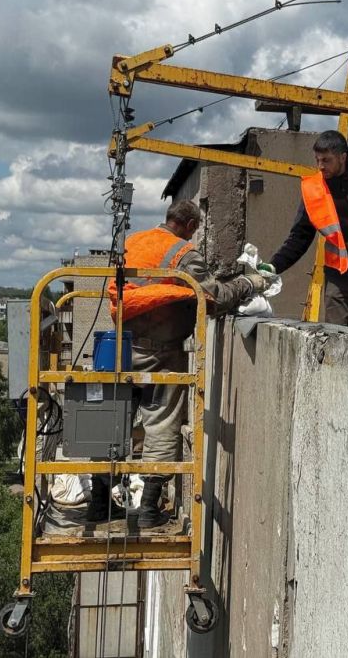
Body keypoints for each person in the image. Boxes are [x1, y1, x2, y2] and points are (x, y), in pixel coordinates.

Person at [90, 199, 268, 526]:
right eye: (195, 230)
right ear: (188, 226)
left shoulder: (134, 242)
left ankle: (99, 506)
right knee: (161, 422)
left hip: (122, 347)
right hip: (159, 354)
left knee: (114, 420)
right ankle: (147, 511)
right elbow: (213, 297)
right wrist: (250, 284)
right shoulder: (184, 254)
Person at [264, 130, 348, 326]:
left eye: (326, 160)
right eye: (317, 160)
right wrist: (274, 265)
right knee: (334, 338)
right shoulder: (314, 189)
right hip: (339, 276)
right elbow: (300, 237)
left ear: (343, 157)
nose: (320, 166)